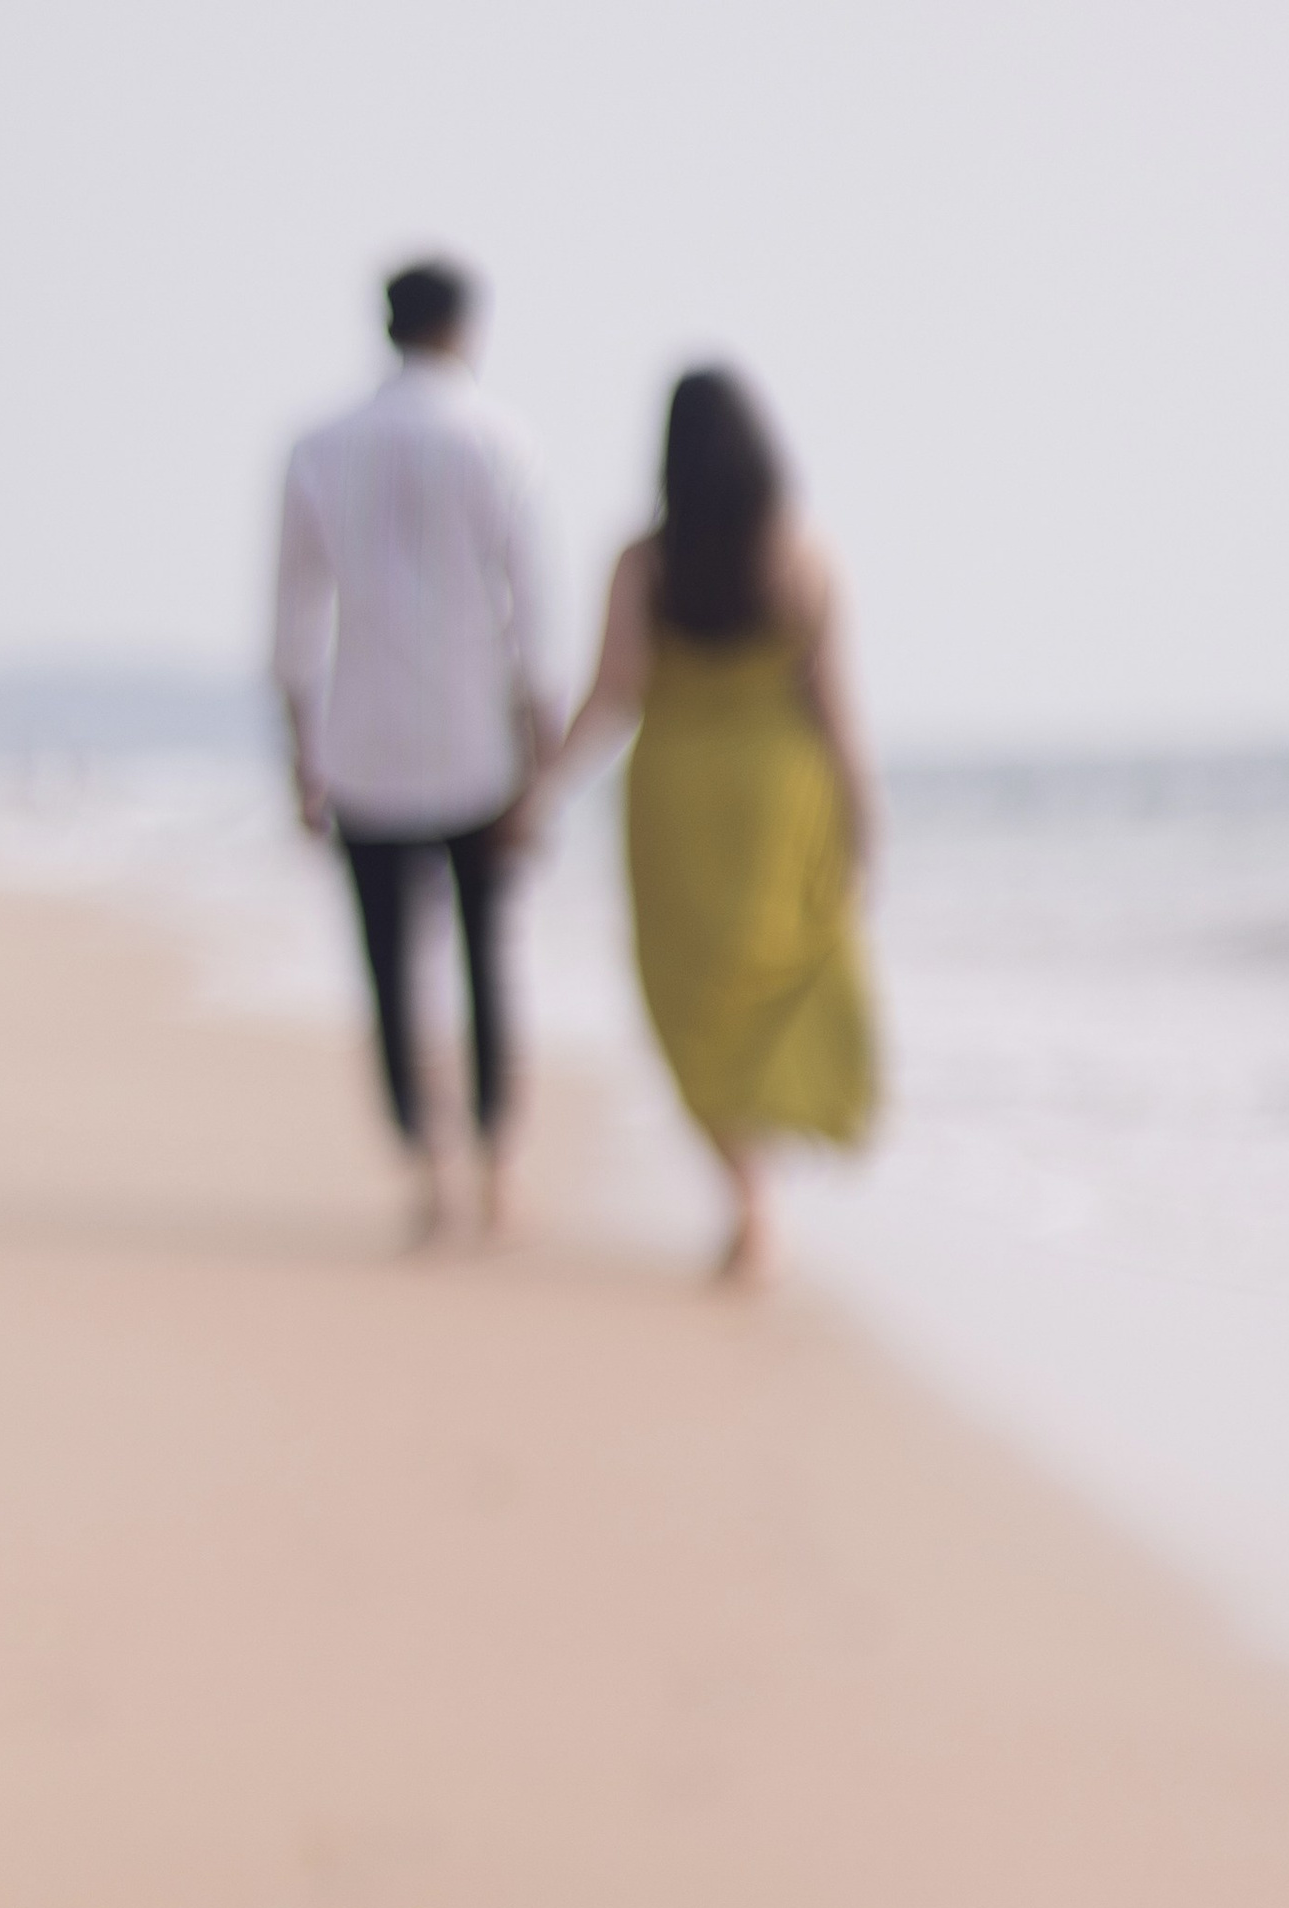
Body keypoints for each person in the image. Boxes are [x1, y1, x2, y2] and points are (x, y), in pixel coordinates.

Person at [515, 368, 880, 1285]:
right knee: (773, 981)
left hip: (675, 796)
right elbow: (836, 711)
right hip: (780, 796)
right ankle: (761, 1189)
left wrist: (540, 787)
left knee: (686, 999)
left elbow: (612, 693)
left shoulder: (645, 561)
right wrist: (863, 826)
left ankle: (747, 1190)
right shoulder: (802, 555)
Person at [273, 260, 562, 1245]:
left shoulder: (317, 446)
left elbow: (292, 624)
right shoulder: (501, 439)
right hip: (475, 741)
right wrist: (543, 761)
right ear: (464, 328)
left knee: (390, 966)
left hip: (361, 741)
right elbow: (535, 621)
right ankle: (496, 1158)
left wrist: (297, 755)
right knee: (488, 958)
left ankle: (427, 1162)